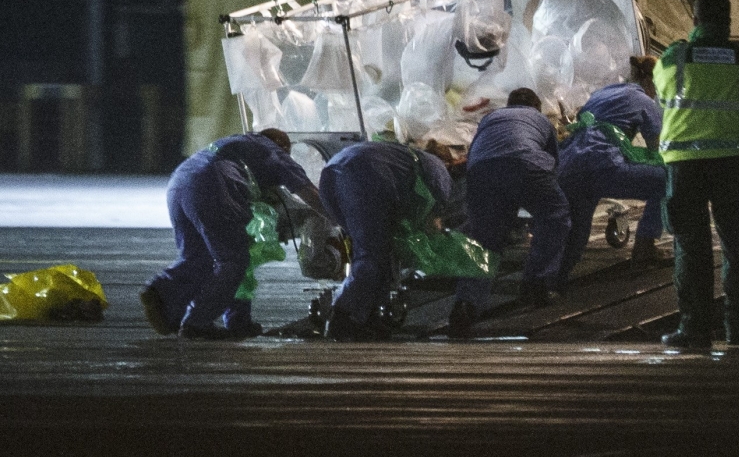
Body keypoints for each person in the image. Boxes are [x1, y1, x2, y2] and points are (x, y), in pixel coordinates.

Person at [141, 129, 325, 339]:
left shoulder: (237, 143)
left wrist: (240, 324)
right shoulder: (275, 151)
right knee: (234, 261)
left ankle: (164, 296)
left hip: (179, 183)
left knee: (198, 257)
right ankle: (196, 323)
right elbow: (309, 194)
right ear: (283, 146)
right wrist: (338, 220)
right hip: (213, 187)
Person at [655, 0, 739, 351]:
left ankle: (695, 329)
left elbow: (661, 88)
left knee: (691, 245)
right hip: (731, 161)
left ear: (695, 19)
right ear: (729, 20)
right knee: (735, 243)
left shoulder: (676, 56)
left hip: (685, 163)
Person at [448, 87, 571, 337]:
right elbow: (554, 163)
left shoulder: (490, 118)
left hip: (482, 172)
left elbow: (476, 153)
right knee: (555, 216)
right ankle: (537, 282)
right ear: (536, 106)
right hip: (526, 165)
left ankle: (466, 303)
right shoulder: (540, 120)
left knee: (484, 240)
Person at [320, 139, 454, 341]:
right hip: (368, 177)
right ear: (448, 163)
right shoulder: (437, 166)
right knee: (372, 256)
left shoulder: (402, 157)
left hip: (333, 171)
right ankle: (342, 316)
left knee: (375, 252)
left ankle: (368, 317)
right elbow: (432, 224)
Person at [554, 56, 669, 291]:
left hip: (570, 165)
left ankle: (553, 282)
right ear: (653, 82)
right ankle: (644, 251)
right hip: (603, 165)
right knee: (665, 182)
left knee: (578, 230)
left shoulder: (602, 93)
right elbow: (656, 150)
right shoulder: (644, 101)